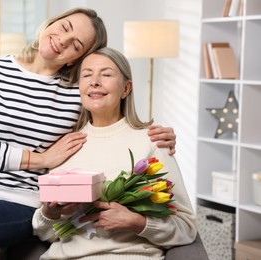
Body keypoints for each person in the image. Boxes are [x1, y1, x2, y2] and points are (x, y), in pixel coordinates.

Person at [0, 8, 176, 260]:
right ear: (52, 22)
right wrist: (41, 159)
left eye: (76, 44)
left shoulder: (74, 92)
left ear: (78, 57)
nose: (63, 40)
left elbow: (110, 111)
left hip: (18, 200)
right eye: (65, 28)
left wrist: (157, 134)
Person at [32, 47, 197, 260]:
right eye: (87, 74)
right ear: (80, 86)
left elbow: (186, 227)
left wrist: (138, 223)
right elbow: (44, 233)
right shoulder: (65, 146)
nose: (95, 81)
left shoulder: (152, 142)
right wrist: (48, 215)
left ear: (126, 89)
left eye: (107, 74)